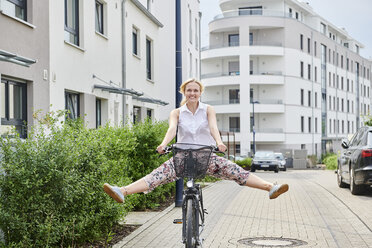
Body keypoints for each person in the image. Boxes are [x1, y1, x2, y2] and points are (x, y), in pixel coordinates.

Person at [103, 79, 289, 203]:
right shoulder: (176, 112)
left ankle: (271, 187)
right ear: (184, 92)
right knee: (156, 176)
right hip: (182, 157)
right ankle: (122, 191)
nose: (192, 93)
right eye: (189, 90)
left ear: (200, 92)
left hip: (205, 156)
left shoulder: (209, 109)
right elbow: (172, 129)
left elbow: (213, 127)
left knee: (235, 171)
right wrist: (163, 144)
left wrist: (219, 142)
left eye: (196, 90)